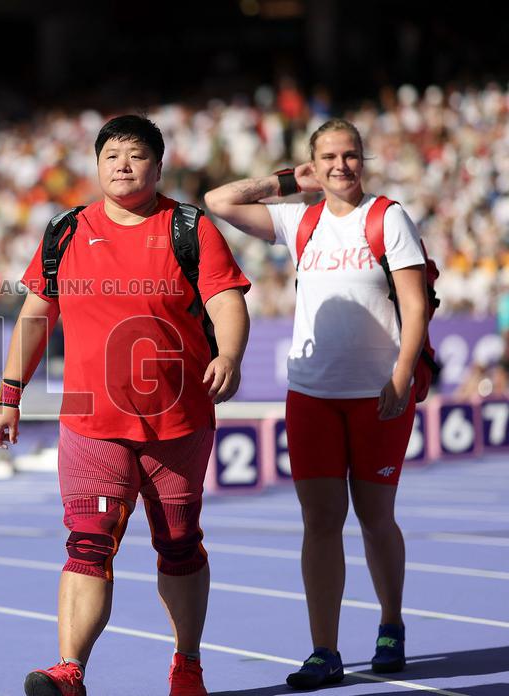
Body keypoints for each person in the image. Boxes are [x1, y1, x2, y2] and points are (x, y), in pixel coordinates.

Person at [0, 114, 251, 696]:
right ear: (97, 165)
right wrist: (9, 395)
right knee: (88, 542)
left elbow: (227, 300)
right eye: (111, 156)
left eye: (135, 156)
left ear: (158, 167)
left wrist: (229, 355)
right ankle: (70, 672)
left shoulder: (190, 228)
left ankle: (187, 666)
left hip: (177, 419)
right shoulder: (64, 232)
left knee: (179, 544)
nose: (122, 166)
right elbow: (36, 317)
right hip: (91, 423)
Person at [204, 118, 428, 689]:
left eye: (350, 155)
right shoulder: (298, 219)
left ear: (363, 159)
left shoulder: (387, 217)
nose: (340, 166)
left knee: (376, 520)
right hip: (311, 397)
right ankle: (324, 650)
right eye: (327, 156)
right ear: (312, 163)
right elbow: (218, 200)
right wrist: (285, 181)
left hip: (376, 395)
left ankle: (391, 624)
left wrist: (402, 374)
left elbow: (415, 303)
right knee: (320, 523)